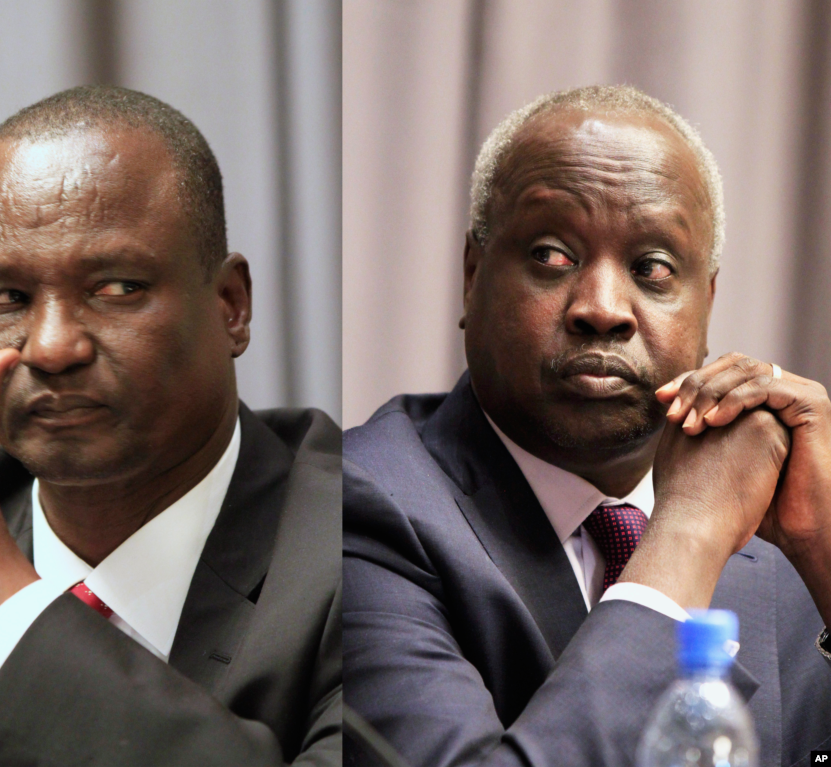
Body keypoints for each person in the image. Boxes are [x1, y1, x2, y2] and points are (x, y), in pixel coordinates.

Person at [0, 86, 341, 766]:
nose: (52, 347)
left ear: (231, 306)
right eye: (8, 298)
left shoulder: (358, 553)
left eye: (116, 288)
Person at [343, 84, 831, 766]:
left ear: (707, 302)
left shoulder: (787, 523)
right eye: (551, 255)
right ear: (472, 275)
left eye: (652, 268)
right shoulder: (356, 506)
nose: (603, 308)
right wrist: (685, 536)